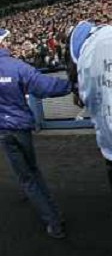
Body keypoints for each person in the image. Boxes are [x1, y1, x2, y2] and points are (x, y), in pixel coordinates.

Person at [0, 28, 73, 239]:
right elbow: (45, 86)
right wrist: (73, 83)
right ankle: (54, 219)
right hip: (20, 127)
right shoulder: (16, 66)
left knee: (27, 176)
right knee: (32, 173)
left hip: (4, 131)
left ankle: (51, 217)